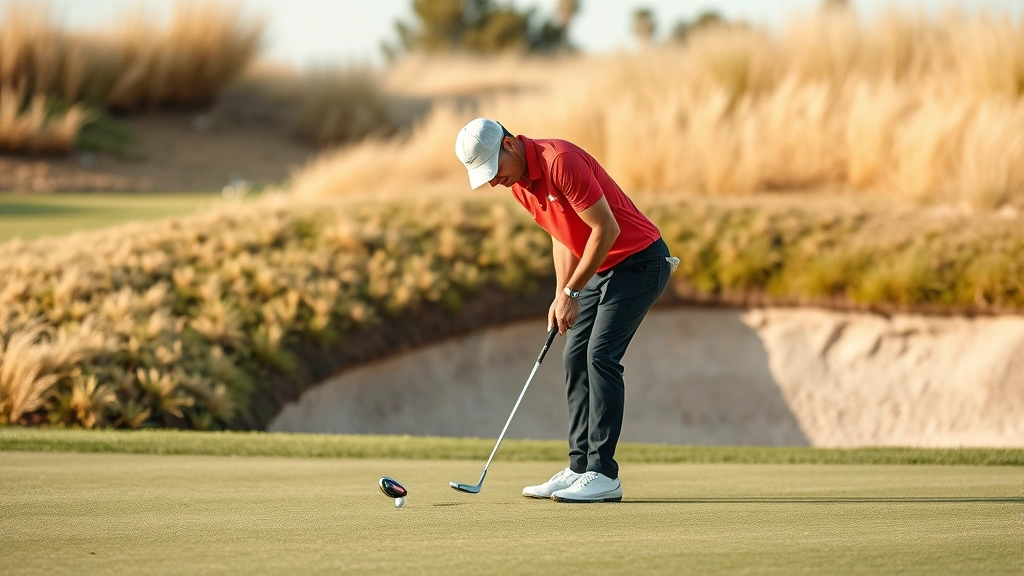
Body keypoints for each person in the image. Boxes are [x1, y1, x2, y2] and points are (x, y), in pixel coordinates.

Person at [455, 118, 678, 503]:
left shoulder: (560, 161)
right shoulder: (520, 186)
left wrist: (573, 290)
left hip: (640, 261)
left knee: (600, 356)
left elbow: (604, 230)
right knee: (574, 355)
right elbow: (563, 237)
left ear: (509, 144)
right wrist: (560, 293)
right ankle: (579, 468)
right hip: (601, 267)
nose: (493, 182)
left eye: (494, 170)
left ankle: (604, 474)